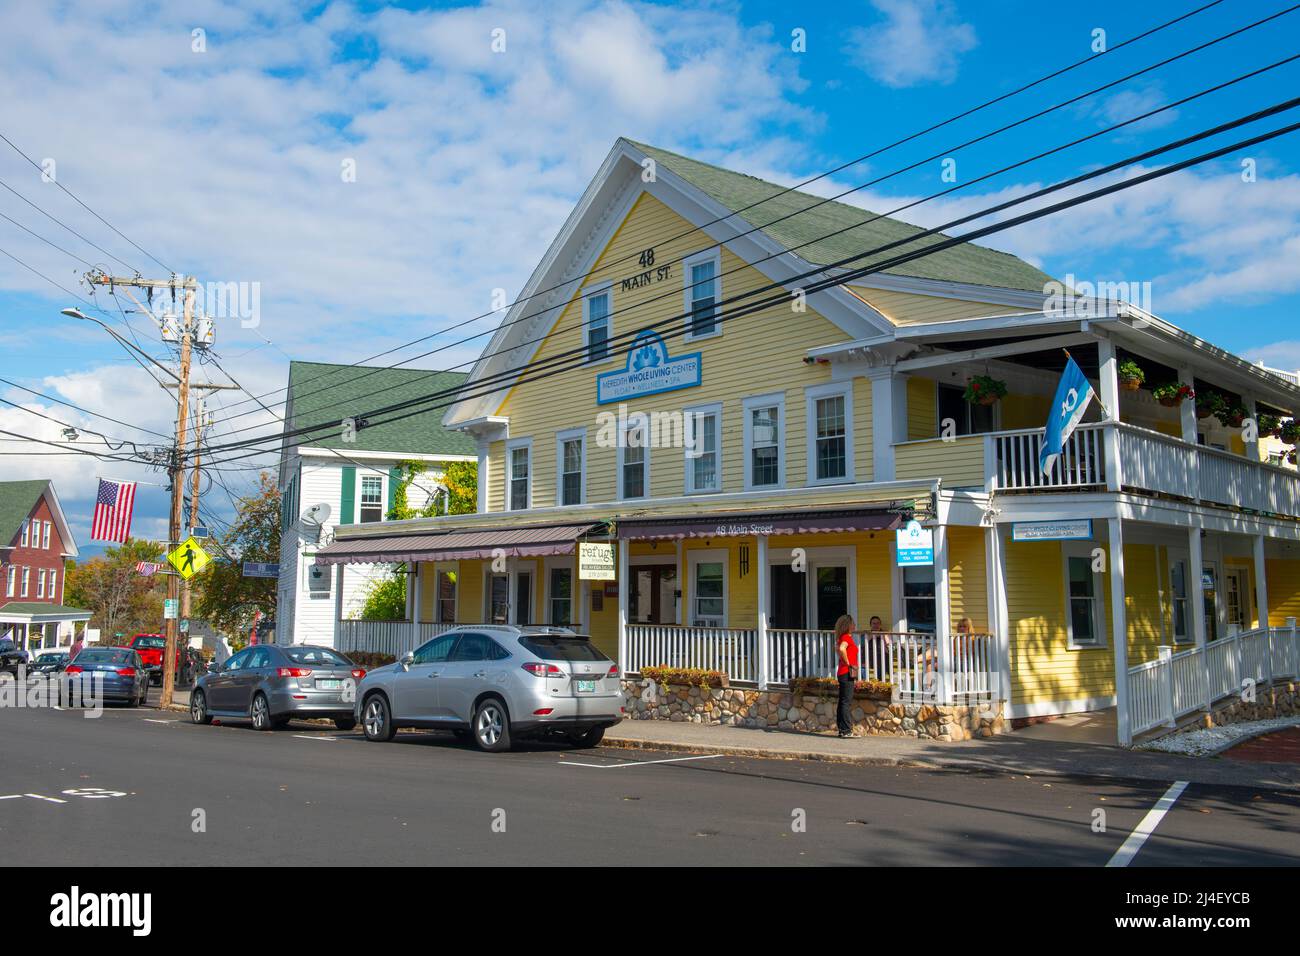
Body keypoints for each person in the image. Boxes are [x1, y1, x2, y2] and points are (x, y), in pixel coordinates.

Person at [834, 613, 858, 739]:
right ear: (848, 625)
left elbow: (837, 648)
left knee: (843, 701)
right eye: (853, 623)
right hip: (846, 672)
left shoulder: (842, 637)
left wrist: (844, 660)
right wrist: (848, 663)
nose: (854, 625)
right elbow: (842, 649)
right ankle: (846, 730)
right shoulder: (846, 638)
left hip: (843, 672)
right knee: (846, 702)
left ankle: (842, 729)